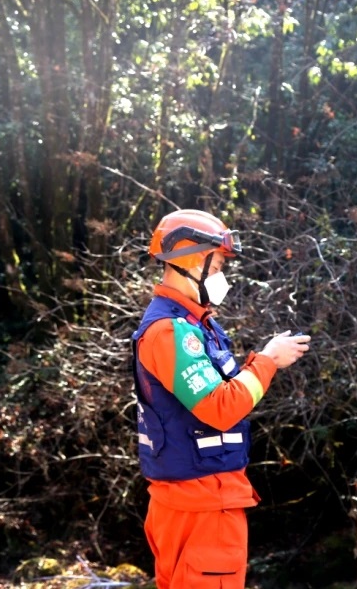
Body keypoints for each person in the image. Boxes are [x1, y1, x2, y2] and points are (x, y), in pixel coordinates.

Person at [131, 209, 310, 588]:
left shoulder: (196, 324)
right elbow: (221, 408)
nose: (220, 278)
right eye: (216, 268)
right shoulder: (171, 331)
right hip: (202, 506)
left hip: (195, 500)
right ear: (192, 260)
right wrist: (268, 362)